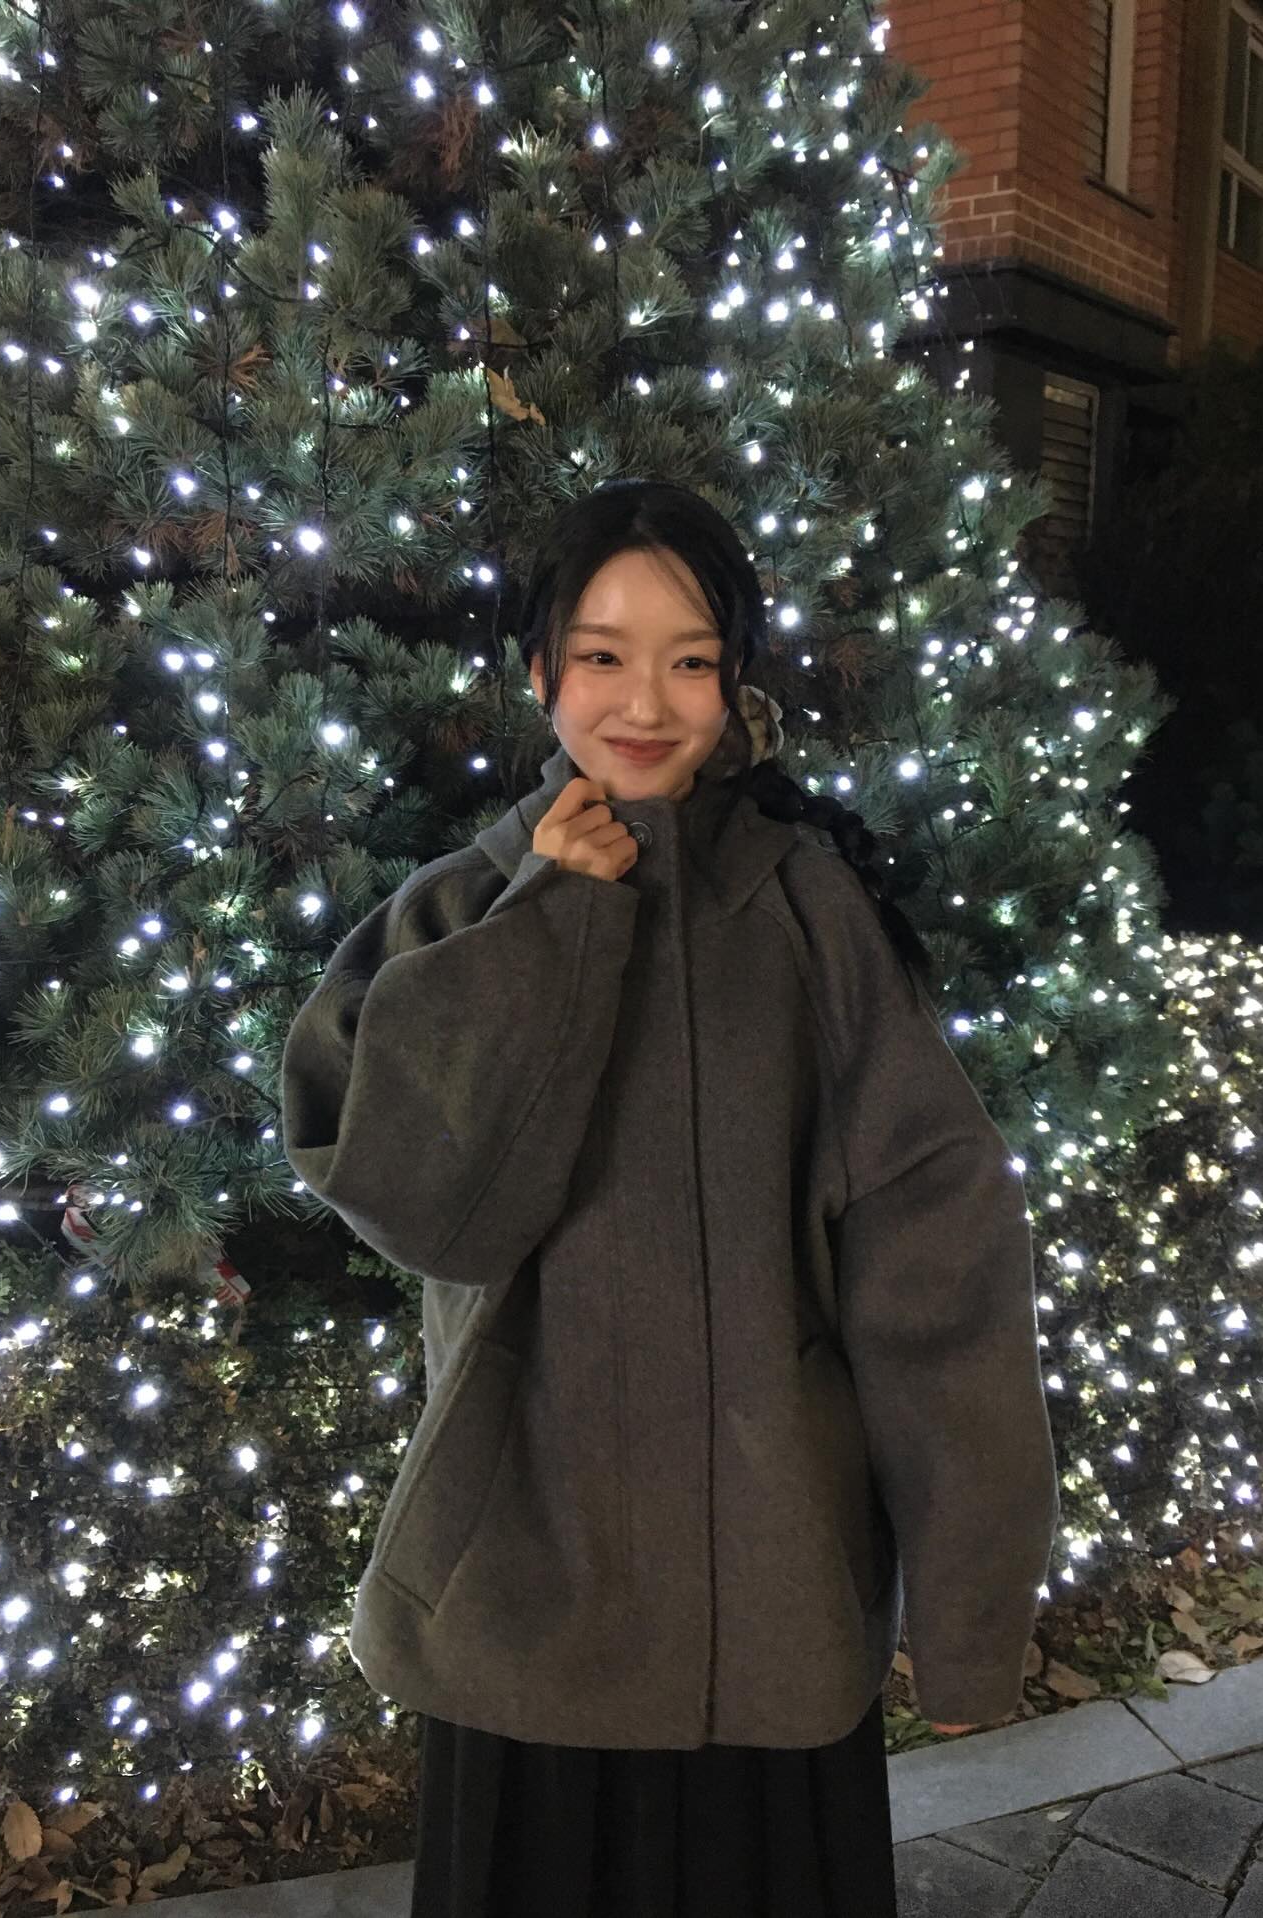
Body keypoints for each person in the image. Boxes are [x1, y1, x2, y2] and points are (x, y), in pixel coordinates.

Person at [279, 479, 1061, 1917]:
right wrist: (550, 922)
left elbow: (939, 1267)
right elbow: (420, 1204)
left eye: (690, 659)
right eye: (602, 654)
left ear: (735, 677)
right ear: (539, 672)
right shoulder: (457, 910)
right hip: (524, 1609)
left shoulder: (810, 915)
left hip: (765, 1613)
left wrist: (968, 1615)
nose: (645, 701)